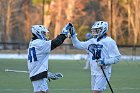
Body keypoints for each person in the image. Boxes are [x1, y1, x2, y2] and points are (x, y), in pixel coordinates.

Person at [70, 21, 121, 93]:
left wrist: (105, 61)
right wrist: (73, 35)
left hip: (103, 71)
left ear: (103, 29)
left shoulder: (109, 41)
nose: (94, 31)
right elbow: (77, 45)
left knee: (96, 92)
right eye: (94, 30)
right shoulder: (92, 41)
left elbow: (117, 57)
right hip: (94, 71)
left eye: (96, 30)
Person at [27, 23, 72, 93]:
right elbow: (56, 42)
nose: (45, 35)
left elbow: (38, 61)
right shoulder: (39, 43)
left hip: (38, 74)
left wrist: (45, 73)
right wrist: (64, 34)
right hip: (38, 75)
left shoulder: (33, 42)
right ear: (38, 33)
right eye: (43, 33)